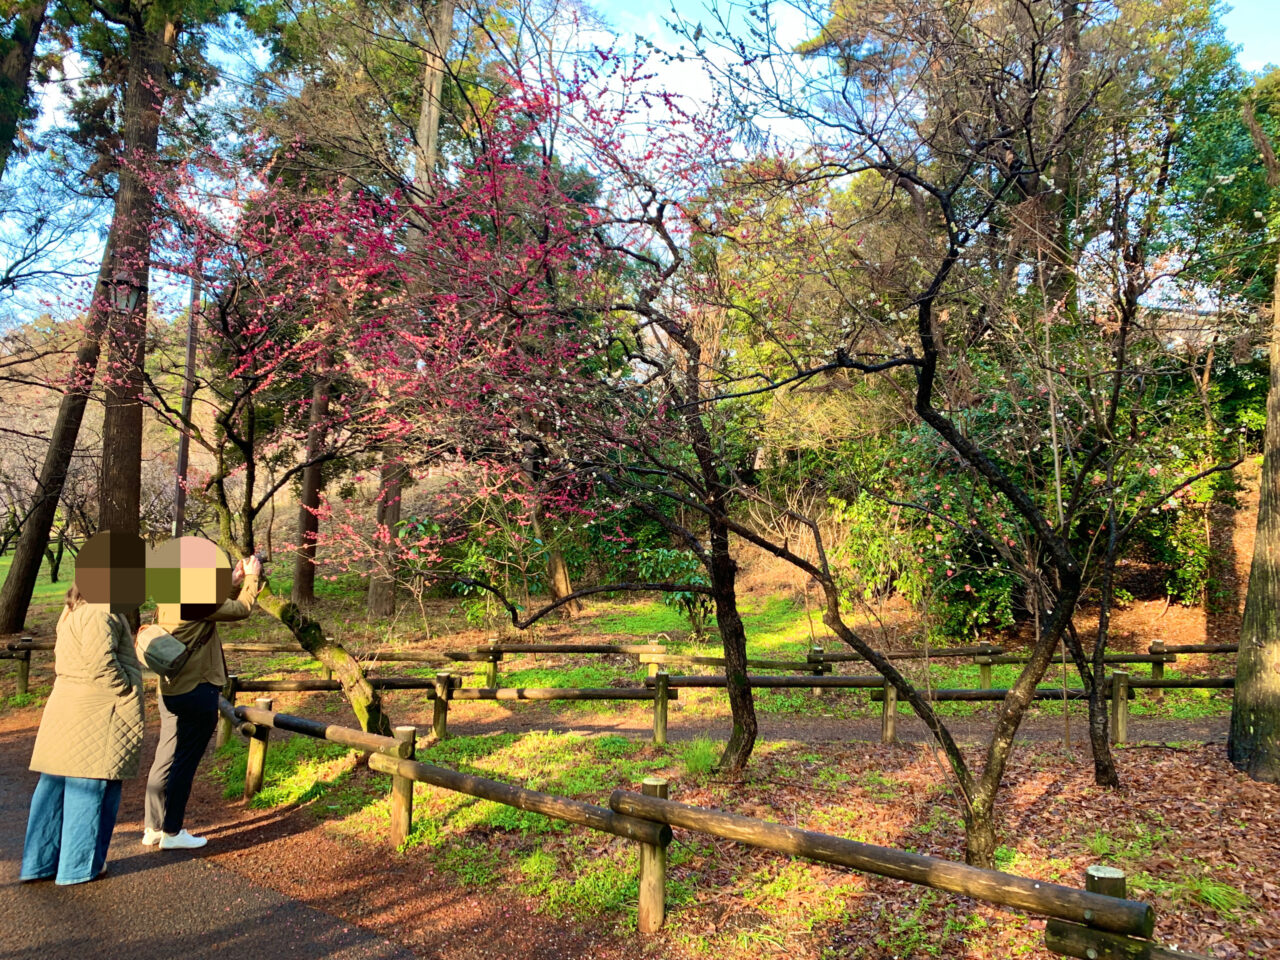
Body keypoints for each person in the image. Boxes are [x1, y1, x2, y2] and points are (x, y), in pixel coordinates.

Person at [21, 532, 147, 884]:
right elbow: (100, 663)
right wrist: (125, 688)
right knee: (91, 789)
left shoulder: (74, 606)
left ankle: (40, 863)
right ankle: (80, 867)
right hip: (97, 713)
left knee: (54, 791)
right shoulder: (101, 609)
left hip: (67, 708)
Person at [143, 539, 262, 850]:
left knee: (166, 755)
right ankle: (172, 832)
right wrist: (252, 577)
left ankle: (153, 827)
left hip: (170, 687)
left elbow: (208, 605)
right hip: (197, 689)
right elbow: (242, 609)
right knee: (185, 761)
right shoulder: (197, 600)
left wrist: (231, 582)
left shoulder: (169, 596)